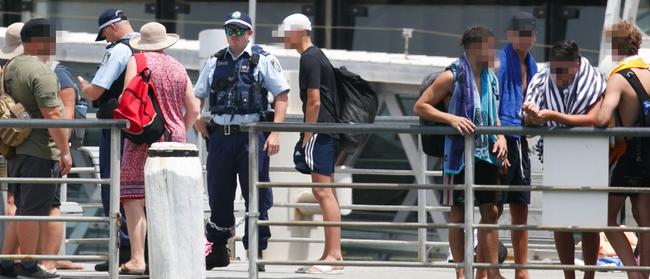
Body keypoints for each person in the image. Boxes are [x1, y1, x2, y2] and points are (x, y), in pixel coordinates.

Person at [193, 11, 290, 271]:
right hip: (221, 138)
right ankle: (218, 249)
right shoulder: (215, 62)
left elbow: (281, 96)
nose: (234, 35)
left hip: (252, 138)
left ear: (249, 33)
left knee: (256, 195)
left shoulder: (264, 60)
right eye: (230, 30)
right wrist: (197, 119)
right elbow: (197, 95)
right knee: (218, 195)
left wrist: (276, 132)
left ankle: (255, 251)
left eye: (239, 30)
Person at [414, 26, 508, 279]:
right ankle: (461, 270)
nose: (495, 51)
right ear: (476, 49)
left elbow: (494, 116)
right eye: (490, 46)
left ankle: (490, 272)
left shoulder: (491, 77)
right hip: (458, 156)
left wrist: (501, 137)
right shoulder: (451, 76)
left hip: (486, 153)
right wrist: (451, 118)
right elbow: (421, 106)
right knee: (459, 213)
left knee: (492, 211)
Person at [118, 21, 200, 275]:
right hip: (175, 137)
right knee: (167, 197)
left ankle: (138, 259)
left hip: (144, 135)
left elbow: (126, 99)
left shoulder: (138, 61)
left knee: (134, 197)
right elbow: (195, 108)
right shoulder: (178, 66)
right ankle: (168, 258)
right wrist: (180, 129)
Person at [523, 40, 605, 279]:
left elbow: (594, 118)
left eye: (563, 70)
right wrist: (533, 117)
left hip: (589, 154)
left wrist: (552, 115)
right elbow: (529, 114)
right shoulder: (542, 80)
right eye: (554, 69)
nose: (558, 76)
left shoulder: (595, 80)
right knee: (560, 221)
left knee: (590, 222)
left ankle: (589, 276)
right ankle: (569, 276)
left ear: (577, 65)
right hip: (556, 153)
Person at [0, 17, 72, 279]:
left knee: (22, 206)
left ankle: (7, 263)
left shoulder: (11, 66)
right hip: (40, 149)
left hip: (16, 147)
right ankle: (29, 265)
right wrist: (64, 150)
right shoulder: (41, 72)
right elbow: (53, 114)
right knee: (34, 210)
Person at [279, 13, 344, 275]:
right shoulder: (317, 55)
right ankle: (332, 253)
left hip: (319, 130)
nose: (283, 37)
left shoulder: (308, 58)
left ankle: (334, 256)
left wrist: (307, 133)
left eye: (286, 32)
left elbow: (314, 100)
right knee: (328, 191)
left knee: (322, 192)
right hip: (327, 129)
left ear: (299, 32)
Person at [77, 8, 136, 271]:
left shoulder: (119, 51)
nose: (106, 41)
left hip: (117, 129)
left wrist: (83, 86)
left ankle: (121, 252)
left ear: (111, 28)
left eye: (105, 35)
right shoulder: (146, 48)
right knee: (137, 191)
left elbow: (96, 91)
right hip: (142, 129)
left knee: (113, 188)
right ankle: (138, 252)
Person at [595, 20, 650, 279]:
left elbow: (601, 118)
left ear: (617, 46)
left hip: (628, 156)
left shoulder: (619, 77)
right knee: (646, 221)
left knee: (606, 217)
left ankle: (633, 272)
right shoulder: (649, 72)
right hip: (649, 154)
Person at [495, 12, 538, 279]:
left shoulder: (533, 65)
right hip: (501, 137)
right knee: (494, 207)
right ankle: (490, 268)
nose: (526, 38)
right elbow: (491, 99)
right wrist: (497, 134)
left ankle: (521, 269)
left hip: (520, 138)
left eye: (530, 33)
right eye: (521, 33)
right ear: (510, 35)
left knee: (521, 206)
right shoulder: (500, 61)